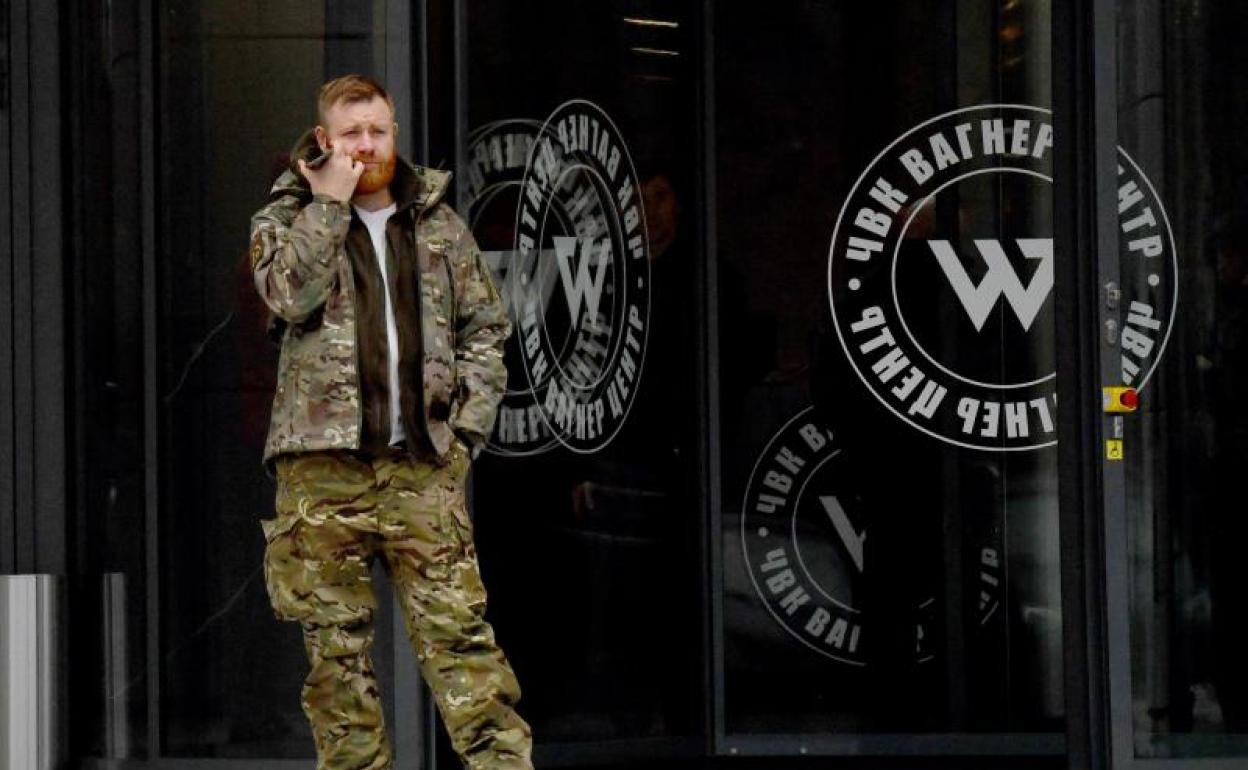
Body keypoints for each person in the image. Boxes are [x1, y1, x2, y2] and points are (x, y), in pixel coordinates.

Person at [249, 74, 533, 770]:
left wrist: (463, 438)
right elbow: (286, 297)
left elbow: (486, 332)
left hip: (421, 467)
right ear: (324, 140)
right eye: (352, 134)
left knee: (463, 646)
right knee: (336, 666)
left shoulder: (437, 223)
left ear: (394, 132)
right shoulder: (282, 220)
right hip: (322, 476)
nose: (367, 145)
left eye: (378, 130)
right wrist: (327, 206)